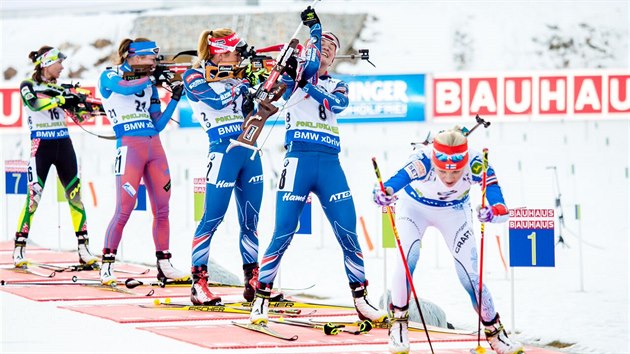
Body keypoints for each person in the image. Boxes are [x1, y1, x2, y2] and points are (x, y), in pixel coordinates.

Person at [249, 7, 387, 325]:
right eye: (322, 43)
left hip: (329, 163)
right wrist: (311, 39)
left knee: (348, 231)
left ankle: (361, 299)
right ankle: (261, 299)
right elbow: (296, 71)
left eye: (332, 47)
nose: (327, 48)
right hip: (298, 160)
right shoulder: (294, 74)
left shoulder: (337, 85)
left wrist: (306, 83)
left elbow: (335, 103)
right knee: (283, 230)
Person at [373, 127, 524, 354]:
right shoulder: (422, 160)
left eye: (455, 172)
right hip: (414, 209)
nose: (449, 178)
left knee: (471, 277)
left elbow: (499, 201)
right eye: (443, 171)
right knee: (407, 259)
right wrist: (382, 193)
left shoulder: (476, 163)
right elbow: (394, 182)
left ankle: (496, 333)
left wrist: (492, 211)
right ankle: (399, 325)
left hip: (454, 211)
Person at [182, 28, 263, 305]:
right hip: (222, 150)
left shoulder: (238, 76)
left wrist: (259, 90)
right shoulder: (193, 75)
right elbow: (215, 100)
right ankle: (198, 283)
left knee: (251, 221)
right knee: (211, 218)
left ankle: (253, 280)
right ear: (219, 51)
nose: (238, 56)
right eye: (234, 51)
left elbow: (253, 111)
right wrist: (240, 85)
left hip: (249, 150)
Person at [98, 38, 188, 285]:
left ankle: (164, 264)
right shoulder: (109, 75)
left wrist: (175, 100)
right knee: (124, 209)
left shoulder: (149, 86)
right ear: (135, 56)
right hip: (129, 146)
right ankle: (107, 265)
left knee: (162, 209)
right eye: (151, 59)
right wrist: (152, 78)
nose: (154, 63)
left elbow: (158, 124)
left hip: (153, 147)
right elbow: (125, 89)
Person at [12, 46, 98, 268]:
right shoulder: (28, 85)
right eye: (58, 63)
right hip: (41, 144)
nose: (62, 67)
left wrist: (86, 105)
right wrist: (61, 99)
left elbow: (83, 116)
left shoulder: (60, 87)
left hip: (64, 144)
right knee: (34, 197)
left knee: (75, 196)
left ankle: (84, 248)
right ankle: (19, 248)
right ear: (46, 63)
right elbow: (34, 103)